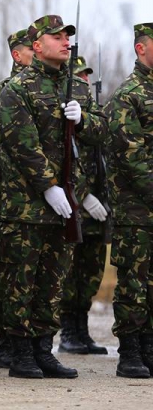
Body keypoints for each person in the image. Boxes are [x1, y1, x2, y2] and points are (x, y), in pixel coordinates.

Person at [0, 15, 106, 379]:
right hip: (26, 204)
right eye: (56, 37)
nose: (65, 42)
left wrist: (85, 120)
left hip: (65, 203)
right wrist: (48, 184)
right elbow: (21, 143)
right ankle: (20, 352)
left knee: (53, 281)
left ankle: (44, 348)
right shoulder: (19, 87)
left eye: (67, 37)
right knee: (21, 283)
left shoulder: (77, 88)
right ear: (37, 46)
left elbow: (101, 132)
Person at [104, 22, 153, 378]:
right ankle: (131, 351)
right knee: (135, 283)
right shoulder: (128, 96)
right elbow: (130, 155)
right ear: (141, 48)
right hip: (136, 209)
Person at [0, 28, 34, 368]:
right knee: (12, 276)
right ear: (18, 55)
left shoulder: (61, 88)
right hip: (11, 199)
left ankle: (35, 344)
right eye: (32, 48)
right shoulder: (5, 92)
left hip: (47, 202)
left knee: (43, 276)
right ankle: (9, 342)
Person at [58, 55, 109, 356]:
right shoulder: (66, 111)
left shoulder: (92, 114)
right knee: (70, 273)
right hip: (76, 206)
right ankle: (67, 331)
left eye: (86, 76)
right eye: (78, 76)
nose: (84, 81)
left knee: (91, 272)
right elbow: (65, 161)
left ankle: (82, 330)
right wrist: (84, 194)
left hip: (98, 209)